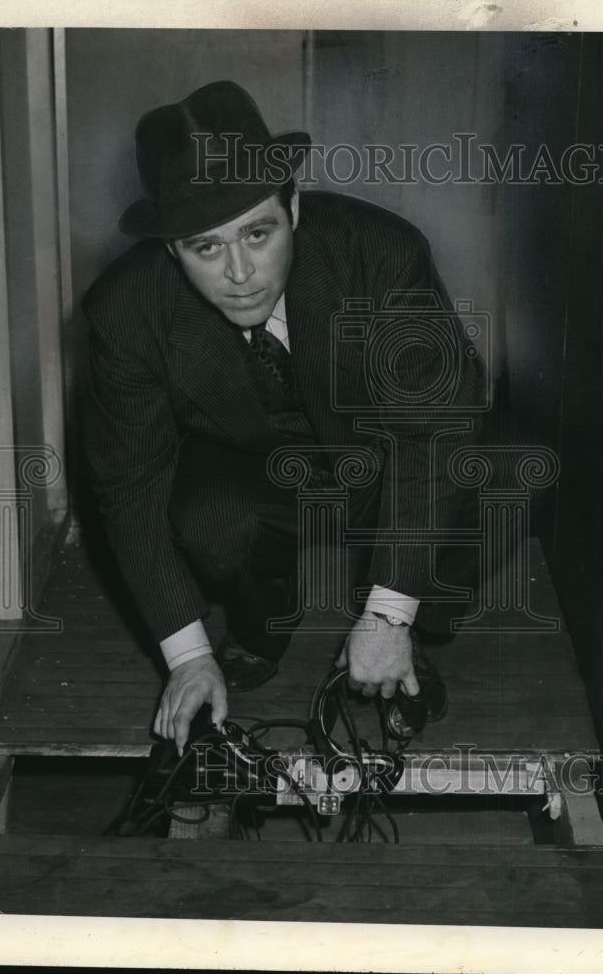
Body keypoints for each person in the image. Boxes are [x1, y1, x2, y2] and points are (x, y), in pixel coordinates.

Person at [82, 80, 484, 755]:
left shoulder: (382, 255)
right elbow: (129, 487)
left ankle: (409, 639)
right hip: (264, 465)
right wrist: (186, 655)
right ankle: (257, 630)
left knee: (474, 475)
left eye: (257, 233)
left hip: (392, 454)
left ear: (292, 206)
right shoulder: (126, 310)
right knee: (208, 518)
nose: (239, 273)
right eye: (205, 248)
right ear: (171, 250)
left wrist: (388, 615)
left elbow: (433, 434)